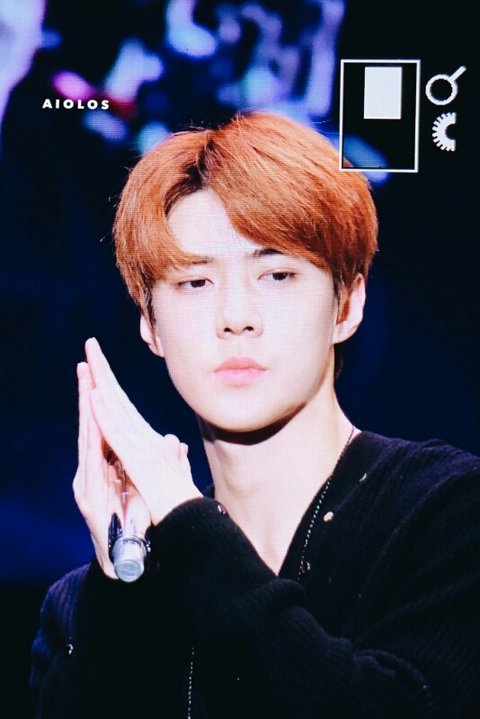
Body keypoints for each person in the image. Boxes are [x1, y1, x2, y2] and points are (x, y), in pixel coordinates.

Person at [30, 112, 480, 718]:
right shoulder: (83, 608)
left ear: (347, 304)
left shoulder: (447, 516)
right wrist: (122, 583)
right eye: (195, 283)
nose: (236, 316)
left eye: (277, 274)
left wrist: (184, 517)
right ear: (149, 323)